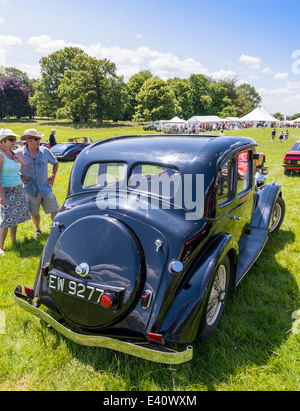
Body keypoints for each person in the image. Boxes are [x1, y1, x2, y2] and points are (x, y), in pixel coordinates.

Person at [16, 129, 59, 239]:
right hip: (30, 189)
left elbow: (55, 162)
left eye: (39, 138)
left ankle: (56, 230)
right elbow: (10, 168)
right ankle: (38, 229)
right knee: (34, 212)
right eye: (36, 139)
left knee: (54, 209)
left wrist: (52, 177)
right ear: (28, 140)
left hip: (46, 187)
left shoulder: (45, 151)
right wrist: (20, 176)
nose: (39, 140)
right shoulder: (19, 153)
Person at [0, 128, 31, 255]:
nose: (14, 141)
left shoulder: (12, 153)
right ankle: (0, 247)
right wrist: (1, 194)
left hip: (18, 189)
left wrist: (20, 162)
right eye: (11, 139)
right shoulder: (0, 155)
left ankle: (13, 240)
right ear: (2, 141)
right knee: (6, 219)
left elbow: (18, 167)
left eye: (14, 139)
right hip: (6, 190)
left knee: (16, 216)